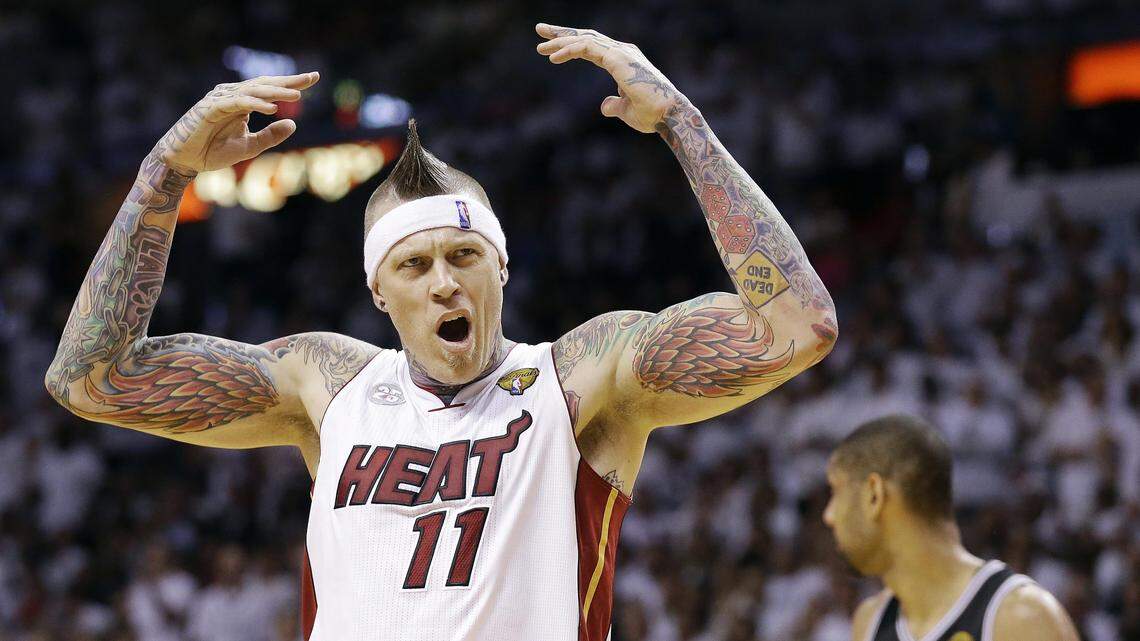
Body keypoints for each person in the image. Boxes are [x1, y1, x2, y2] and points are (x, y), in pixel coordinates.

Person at [44, 23, 837, 640]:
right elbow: (89, 377)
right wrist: (163, 174)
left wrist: (682, 122)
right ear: (379, 292)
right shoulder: (330, 385)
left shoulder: (579, 378)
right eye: (415, 265)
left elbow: (797, 325)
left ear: (502, 270)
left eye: (464, 256)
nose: (444, 281)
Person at [823, 414, 1080, 641]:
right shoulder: (869, 622)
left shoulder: (1019, 617)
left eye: (836, 492)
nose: (829, 515)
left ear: (874, 495)